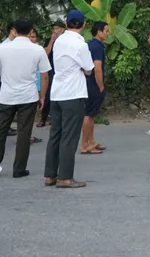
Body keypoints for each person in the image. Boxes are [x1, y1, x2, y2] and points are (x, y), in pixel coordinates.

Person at [0, 17, 51, 178]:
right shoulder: (37, 50)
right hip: (28, 96)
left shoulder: (2, 48)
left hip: (6, 96)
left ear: (14, 30)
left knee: (0, 131)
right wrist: (42, 96)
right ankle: (19, 169)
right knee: (24, 132)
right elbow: (44, 76)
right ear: (30, 31)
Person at [43, 10, 94, 188]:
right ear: (83, 24)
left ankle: (50, 175)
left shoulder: (59, 40)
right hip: (73, 93)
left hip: (56, 92)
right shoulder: (81, 44)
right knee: (69, 136)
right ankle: (64, 177)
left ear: (65, 23)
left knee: (55, 134)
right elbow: (88, 69)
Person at [80, 21, 108, 154]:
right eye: (106, 31)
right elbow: (97, 68)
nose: (108, 34)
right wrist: (101, 86)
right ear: (99, 32)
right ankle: (85, 144)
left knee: (91, 114)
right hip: (93, 84)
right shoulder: (97, 47)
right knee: (89, 115)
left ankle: (91, 141)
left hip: (88, 83)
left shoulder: (91, 44)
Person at [36, 20, 65, 128]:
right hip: (51, 70)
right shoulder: (49, 40)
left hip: (61, 70)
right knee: (48, 94)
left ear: (62, 29)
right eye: (54, 29)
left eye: (57, 28)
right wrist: (52, 41)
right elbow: (45, 53)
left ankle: (56, 118)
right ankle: (43, 118)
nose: (55, 31)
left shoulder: (65, 41)